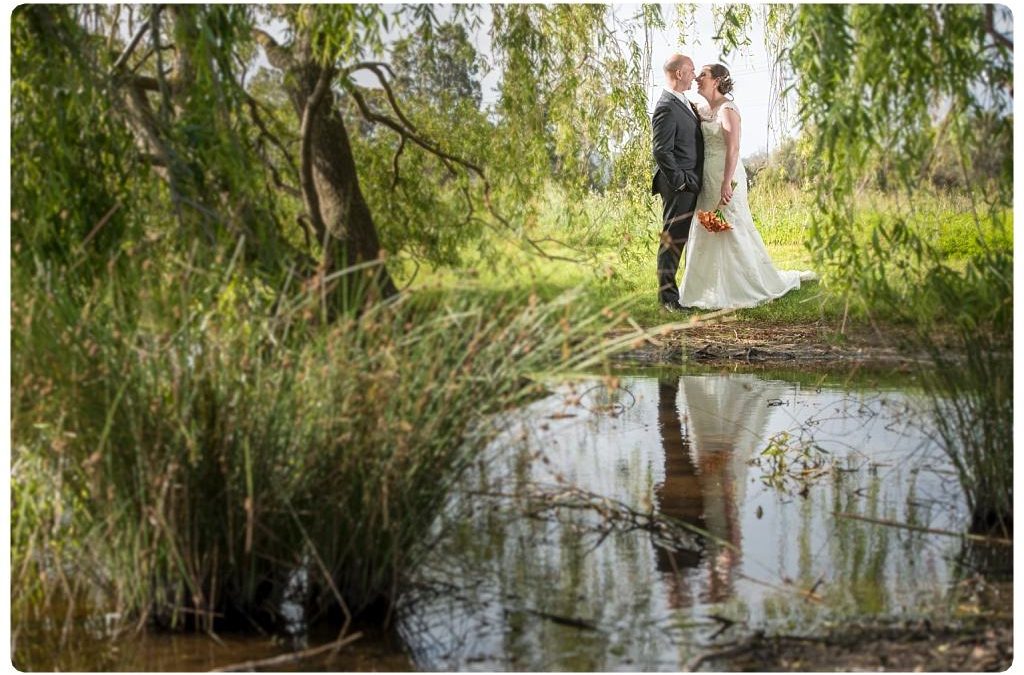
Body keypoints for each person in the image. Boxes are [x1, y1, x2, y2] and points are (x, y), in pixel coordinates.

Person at [677, 64, 815, 309]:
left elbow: (733, 148)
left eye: (703, 75)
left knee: (731, 226)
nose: (698, 78)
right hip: (706, 177)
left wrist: (726, 183)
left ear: (717, 80)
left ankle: (742, 286)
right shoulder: (698, 108)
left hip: (725, 176)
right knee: (706, 227)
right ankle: (703, 290)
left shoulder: (728, 109)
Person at [651, 54, 704, 312]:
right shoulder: (665, 106)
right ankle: (667, 300)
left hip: (688, 181)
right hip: (677, 184)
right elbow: (661, 151)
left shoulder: (682, 102)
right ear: (679, 73)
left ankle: (672, 295)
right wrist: (681, 182)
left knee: (679, 238)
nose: (695, 75)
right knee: (672, 239)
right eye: (692, 70)